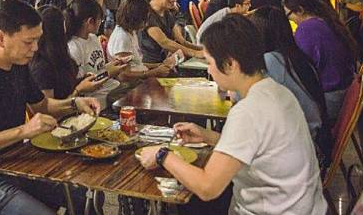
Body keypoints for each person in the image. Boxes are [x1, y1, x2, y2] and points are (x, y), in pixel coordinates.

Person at [138, 15, 326, 215]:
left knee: (191, 201)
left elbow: (207, 187)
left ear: (230, 64)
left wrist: (162, 155)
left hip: (275, 209)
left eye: (209, 62)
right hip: (304, 206)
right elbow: (259, 148)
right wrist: (208, 136)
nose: (209, 70)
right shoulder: (277, 91)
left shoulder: (249, 111)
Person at [0, 0, 100, 215]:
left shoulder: (18, 65)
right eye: (29, 42)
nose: (35, 48)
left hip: (12, 165)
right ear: (1, 38)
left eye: (37, 40)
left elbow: (42, 105)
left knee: (85, 195)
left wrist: (74, 103)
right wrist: (23, 131)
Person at [248, 7, 329, 142]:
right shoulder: (294, 55)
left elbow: (243, 96)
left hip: (302, 139)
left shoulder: (271, 60)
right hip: (314, 130)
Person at [283, 0, 358, 121]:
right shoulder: (325, 20)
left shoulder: (307, 29)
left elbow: (302, 69)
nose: (290, 20)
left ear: (300, 10)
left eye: (289, 15)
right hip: (342, 93)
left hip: (329, 101)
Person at [30, 6, 107, 99]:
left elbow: (67, 87)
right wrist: (79, 89)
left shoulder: (61, 56)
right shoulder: (42, 67)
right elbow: (48, 108)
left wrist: (82, 80)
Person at [65, 0, 128, 110]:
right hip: (96, 99)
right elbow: (82, 85)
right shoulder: (74, 47)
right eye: (100, 20)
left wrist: (114, 65)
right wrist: (108, 73)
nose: (101, 24)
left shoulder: (93, 38)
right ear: (90, 22)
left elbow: (98, 69)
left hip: (110, 89)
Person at [107, 0, 176, 79]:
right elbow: (123, 76)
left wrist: (159, 65)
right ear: (135, 18)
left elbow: (137, 64)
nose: (146, 24)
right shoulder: (122, 38)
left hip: (140, 79)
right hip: (133, 85)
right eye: (144, 19)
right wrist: (155, 72)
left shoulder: (131, 32)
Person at [140, 0, 203, 64]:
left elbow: (182, 41)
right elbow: (166, 43)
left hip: (166, 65)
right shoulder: (147, 15)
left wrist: (203, 50)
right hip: (151, 69)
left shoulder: (166, 13)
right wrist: (196, 53)